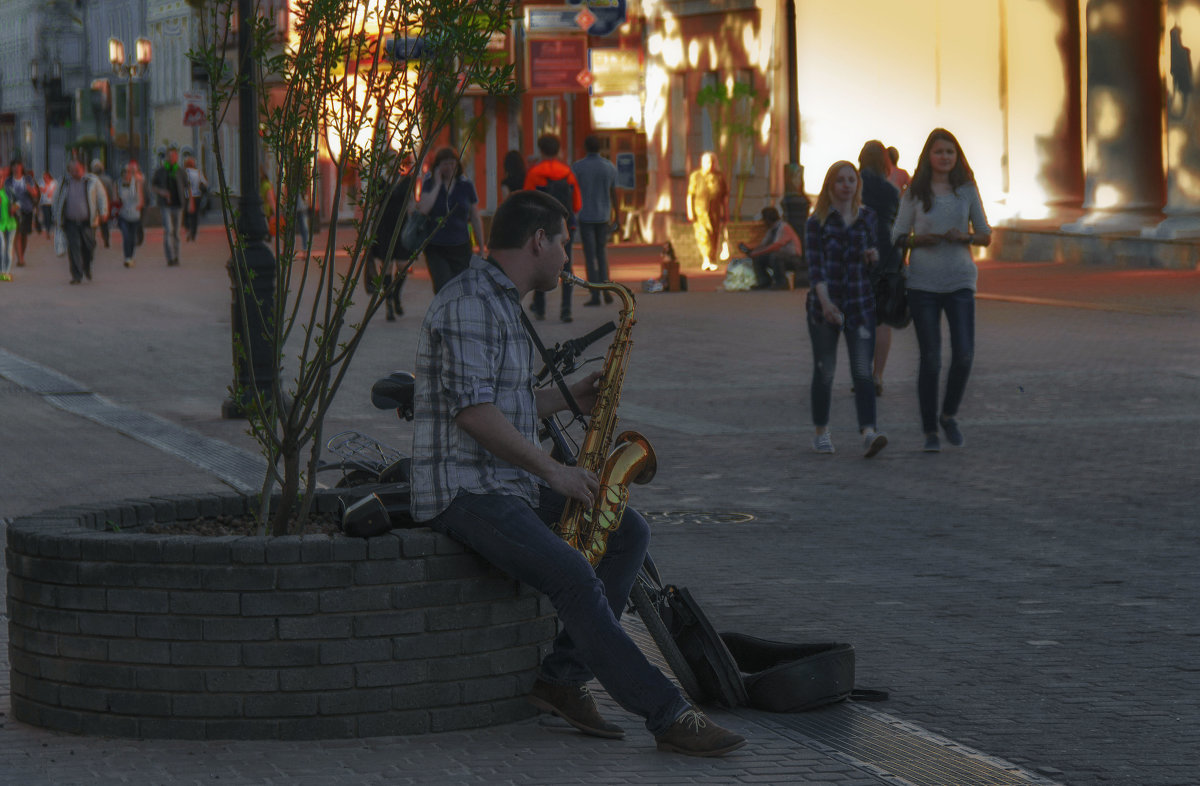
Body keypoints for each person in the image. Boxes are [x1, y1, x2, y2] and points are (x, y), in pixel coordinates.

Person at [409, 188, 746, 758]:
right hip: (463, 489)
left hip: (502, 481)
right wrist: (555, 474)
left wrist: (566, 401)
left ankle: (561, 679)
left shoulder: (502, 302)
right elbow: (474, 415)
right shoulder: (469, 302)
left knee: (626, 529)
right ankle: (665, 714)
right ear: (539, 239)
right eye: (565, 241)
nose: (570, 256)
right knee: (571, 573)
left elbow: (503, 402)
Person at [891, 128, 991, 453]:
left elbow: (986, 234)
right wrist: (920, 240)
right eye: (939, 152)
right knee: (931, 358)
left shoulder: (967, 190)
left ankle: (949, 414)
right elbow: (898, 234)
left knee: (964, 354)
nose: (945, 157)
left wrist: (967, 238)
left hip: (960, 280)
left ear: (957, 156)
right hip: (922, 284)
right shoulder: (915, 193)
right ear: (928, 157)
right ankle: (930, 429)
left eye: (950, 152)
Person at [805, 161, 887, 458]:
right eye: (840, 180)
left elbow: (875, 261)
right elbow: (815, 269)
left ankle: (868, 432)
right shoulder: (817, 222)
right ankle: (821, 432)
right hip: (824, 306)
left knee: (863, 371)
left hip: (860, 304)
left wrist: (873, 256)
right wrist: (826, 304)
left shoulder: (868, 218)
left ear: (858, 185)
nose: (846, 185)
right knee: (825, 372)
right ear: (830, 185)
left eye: (851, 180)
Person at [858, 140, 902, 397]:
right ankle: (878, 375)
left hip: (859, 254)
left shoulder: (853, 186)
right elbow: (898, 224)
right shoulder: (891, 190)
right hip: (888, 255)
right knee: (882, 318)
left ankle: (862, 373)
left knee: (861, 316)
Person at [524, 134, 582, 322]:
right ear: (558, 151)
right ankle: (566, 310)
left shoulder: (535, 173)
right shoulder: (568, 173)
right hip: (565, 225)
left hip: (542, 227)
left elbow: (527, 201)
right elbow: (577, 204)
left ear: (541, 150)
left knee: (539, 262)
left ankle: (540, 307)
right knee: (567, 264)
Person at [415, 147, 485, 294]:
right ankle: (445, 315)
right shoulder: (429, 183)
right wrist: (438, 184)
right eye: (445, 164)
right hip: (436, 246)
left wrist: (481, 245)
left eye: (453, 163)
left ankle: (455, 316)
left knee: (462, 288)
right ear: (438, 166)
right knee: (443, 287)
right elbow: (424, 209)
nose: (450, 167)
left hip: (461, 246)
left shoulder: (465, 185)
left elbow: (475, 216)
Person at [572, 134, 619, 305]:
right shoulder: (609, 167)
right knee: (602, 254)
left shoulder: (578, 167)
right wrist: (617, 217)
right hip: (603, 216)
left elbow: (573, 192)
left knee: (590, 256)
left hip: (585, 216)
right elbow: (614, 194)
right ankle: (607, 289)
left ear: (585, 148)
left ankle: (594, 294)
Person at [51, 158, 108, 285]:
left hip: (88, 221)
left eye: (78, 170)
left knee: (89, 246)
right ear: (69, 171)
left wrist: (103, 211)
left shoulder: (92, 181)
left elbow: (101, 196)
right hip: (70, 221)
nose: (76, 173)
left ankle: (87, 266)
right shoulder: (64, 182)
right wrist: (56, 216)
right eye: (73, 171)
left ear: (83, 169)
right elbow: (56, 199)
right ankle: (76, 275)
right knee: (74, 248)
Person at [370, 167, 415, 321]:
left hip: (402, 227)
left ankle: (396, 295)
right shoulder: (379, 182)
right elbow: (373, 202)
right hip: (384, 228)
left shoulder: (407, 180)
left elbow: (411, 202)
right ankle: (389, 303)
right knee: (387, 266)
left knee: (403, 266)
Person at [738, 206, 802, 290]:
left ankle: (781, 283)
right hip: (780, 256)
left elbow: (776, 246)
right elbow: (763, 245)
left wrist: (757, 253)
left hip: (792, 258)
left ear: (768, 219)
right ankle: (764, 282)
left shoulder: (783, 227)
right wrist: (750, 250)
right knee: (759, 258)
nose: (763, 223)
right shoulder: (771, 230)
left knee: (775, 256)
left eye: (764, 220)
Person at [686, 152, 728, 272]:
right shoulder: (696, 176)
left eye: (711, 162)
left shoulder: (719, 176)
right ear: (702, 163)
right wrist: (690, 211)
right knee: (703, 235)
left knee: (714, 235)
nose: (709, 165)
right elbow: (690, 195)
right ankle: (706, 259)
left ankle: (713, 259)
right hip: (700, 211)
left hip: (715, 211)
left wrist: (726, 212)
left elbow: (724, 196)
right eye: (706, 162)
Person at [151, 145, 188, 265]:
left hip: (178, 204)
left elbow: (187, 188)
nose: (172, 158)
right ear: (166, 157)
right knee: (169, 230)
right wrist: (162, 192)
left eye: (174, 156)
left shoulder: (181, 171)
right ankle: (170, 258)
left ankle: (177, 256)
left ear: (177, 157)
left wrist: (190, 202)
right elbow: (153, 186)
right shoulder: (160, 171)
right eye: (170, 156)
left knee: (176, 232)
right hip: (165, 205)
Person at [4, 160, 40, 268]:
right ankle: (20, 259)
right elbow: (6, 195)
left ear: (22, 167)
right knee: (17, 233)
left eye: (18, 166)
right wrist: (11, 206)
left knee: (24, 234)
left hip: (27, 209)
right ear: (12, 168)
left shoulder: (28, 179)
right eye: (14, 166)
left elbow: (35, 193)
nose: (16, 168)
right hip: (14, 210)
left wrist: (30, 190)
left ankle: (22, 255)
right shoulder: (8, 181)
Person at [116, 162, 145, 268]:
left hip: (134, 215)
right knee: (126, 236)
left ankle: (131, 256)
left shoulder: (136, 183)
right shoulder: (118, 183)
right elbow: (116, 199)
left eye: (128, 172)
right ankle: (127, 257)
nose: (126, 175)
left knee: (132, 238)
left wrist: (139, 205)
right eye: (124, 173)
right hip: (123, 215)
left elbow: (141, 198)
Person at [90, 160, 116, 249]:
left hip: (93, 205)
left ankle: (92, 240)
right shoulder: (107, 179)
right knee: (104, 224)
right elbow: (111, 193)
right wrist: (111, 202)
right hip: (105, 204)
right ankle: (106, 240)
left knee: (93, 224)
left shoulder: (90, 180)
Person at [183, 155, 207, 242]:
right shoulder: (198, 173)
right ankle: (193, 233)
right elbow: (205, 183)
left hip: (186, 196)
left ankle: (188, 229)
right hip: (197, 196)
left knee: (186, 214)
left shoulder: (184, 172)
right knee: (195, 215)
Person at [0, 165, 15, 282]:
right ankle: (1, 271)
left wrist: (15, 207)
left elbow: (19, 201)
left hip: (10, 223)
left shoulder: (9, 190)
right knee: (2, 246)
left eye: (1, 177)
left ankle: (7, 271)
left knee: (8, 247)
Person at [39, 171, 57, 240]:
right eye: (44, 178)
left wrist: (51, 191)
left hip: (52, 203)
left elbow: (54, 191)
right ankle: (47, 232)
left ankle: (53, 231)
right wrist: (47, 185)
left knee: (53, 217)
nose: (44, 179)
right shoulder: (42, 182)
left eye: (46, 178)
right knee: (47, 217)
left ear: (49, 177)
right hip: (44, 203)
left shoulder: (54, 182)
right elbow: (43, 190)